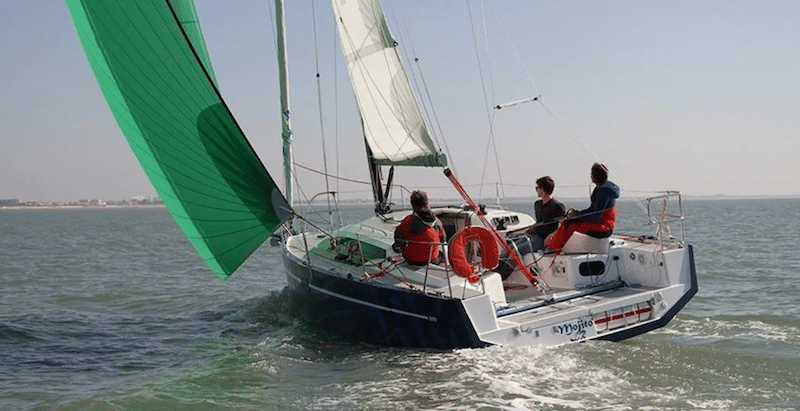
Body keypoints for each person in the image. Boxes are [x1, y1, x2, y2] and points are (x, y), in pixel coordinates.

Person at [496, 176, 566, 277]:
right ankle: (496, 272)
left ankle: (502, 276)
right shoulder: (537, 204)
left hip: (543, 239)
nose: (536, 190)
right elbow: (539, 222)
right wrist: (529, 230)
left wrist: (551, 236)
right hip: (533, 235)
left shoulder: (557, 206)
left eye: (537, 187)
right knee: (508, 247)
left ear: (542, 189)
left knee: (516, 251)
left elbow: (563, 225)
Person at [545, 163, 620, 253]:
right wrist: (577, 214)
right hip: (599, 224)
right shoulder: (601, 188)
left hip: (604, 228)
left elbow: (596, 215)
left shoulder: (603, 192)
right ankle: (553, 246)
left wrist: (577, 216)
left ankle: (554, 249)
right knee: (568, 222)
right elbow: (592, 210)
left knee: (572, 226)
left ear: (594, 176)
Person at [392, 190, 446, 265]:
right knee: (441, 255)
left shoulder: (408, 221)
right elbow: (443, 240)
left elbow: (398, 241)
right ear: (427, 203)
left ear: (413, 205)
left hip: (413, 260)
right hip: (433, 260)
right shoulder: (438, 222)